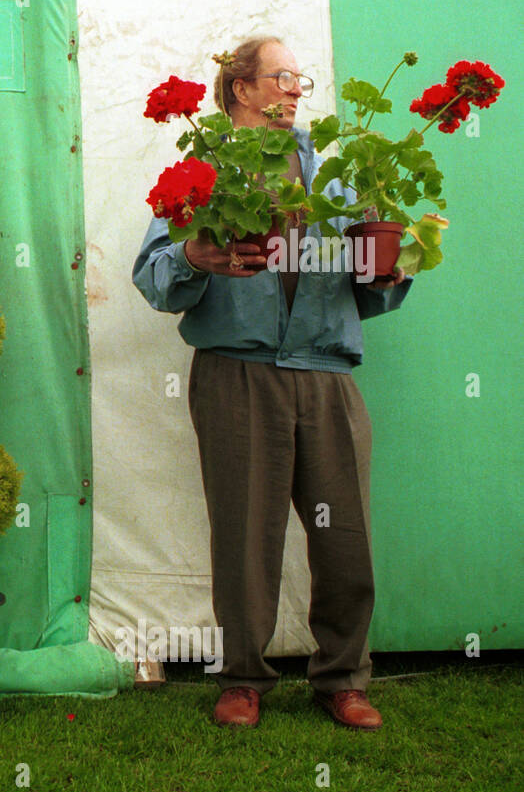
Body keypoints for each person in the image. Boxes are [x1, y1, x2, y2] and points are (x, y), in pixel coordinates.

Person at [133, 37, 412, 730]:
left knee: (344, 537)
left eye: (300, 79)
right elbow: (154, 274)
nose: (295, 90)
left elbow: (370, 288)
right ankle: (242, 679)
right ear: (242, 90)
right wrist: (195, 254)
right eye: (282, 77)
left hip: (326, 373)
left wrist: (391, 274)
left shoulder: (340, 171)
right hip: (237, 374)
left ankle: (343, 678)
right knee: (244, 537)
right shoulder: (205, 168)